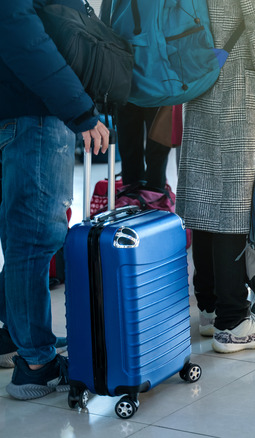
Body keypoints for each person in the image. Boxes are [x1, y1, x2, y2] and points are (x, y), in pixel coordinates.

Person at [0, 0, 109, 400]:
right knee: (33, 238)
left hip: (18, 108)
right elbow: (25, 37)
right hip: (37, 112)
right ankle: (36, 365)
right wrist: (79, 107)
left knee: (17, 235)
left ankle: (17, 336)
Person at [176, 0, 255, 354]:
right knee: (235, 205)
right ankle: (234, 321)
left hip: (203, 80)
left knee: (208, 199)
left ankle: (211, 307)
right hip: (242, 90)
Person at [115, 104, 171, 190]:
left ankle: (138, 193)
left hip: (132, 96)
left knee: (131, 149)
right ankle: (152, 193)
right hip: (157, 96)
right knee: (157, 150)